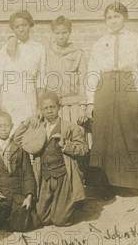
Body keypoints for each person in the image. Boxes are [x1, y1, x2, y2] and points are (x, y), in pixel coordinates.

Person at [87, 2, 138, 202]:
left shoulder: (135, 40)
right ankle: (106, 185)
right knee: (103, 135)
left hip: (127, 85)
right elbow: (93, 71)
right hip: (104, 88)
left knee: (131, 133)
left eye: (117, 16)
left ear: (125, 18)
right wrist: (90, 101)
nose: (113, 21)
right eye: (109, 17)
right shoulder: (99, 43)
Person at [14, 91, 88, 227]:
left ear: (58, 107)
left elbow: (83, 149)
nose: (49, 111)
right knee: (43, 218)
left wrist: (65, 144)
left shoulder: (69, 127)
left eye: (52, 107)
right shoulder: (37, 127)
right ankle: (60, 204)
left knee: (59, 220)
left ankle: (70, 203)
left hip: (64, 176)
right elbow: (17, 140)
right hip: (45, 177)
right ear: (40, 110)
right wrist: (27, 122)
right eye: (45, 108)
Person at [0, 112, 40, 232]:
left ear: (12, 126)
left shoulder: (19, 148)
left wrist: (29, 196)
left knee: (24, 223)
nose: (3, 129)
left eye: (6, 125)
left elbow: (28, 174)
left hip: (17, 196)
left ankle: (14, 217)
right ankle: (6, 218)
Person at [0, 10, 46, 132]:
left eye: (24, 25)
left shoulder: (38, 48)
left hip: (28, 94)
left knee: (27, 131)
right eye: (17, 26)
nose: (21, 29)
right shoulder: (5, 49)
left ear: (30, 25)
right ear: (13, 28)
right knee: (9, 130)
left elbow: (41, 79)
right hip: (9, 95)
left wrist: (39, 106)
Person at [45, 16, 90, 140]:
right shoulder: (46, 53)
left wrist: (82, 106)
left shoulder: (78, 53)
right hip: (55, 108)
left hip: (74, 106)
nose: (61, 36)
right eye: (57, 33)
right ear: (53, 33)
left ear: (69, 32)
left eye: (64, 33)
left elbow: (84, 81)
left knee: (75, 140)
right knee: (56, 142)